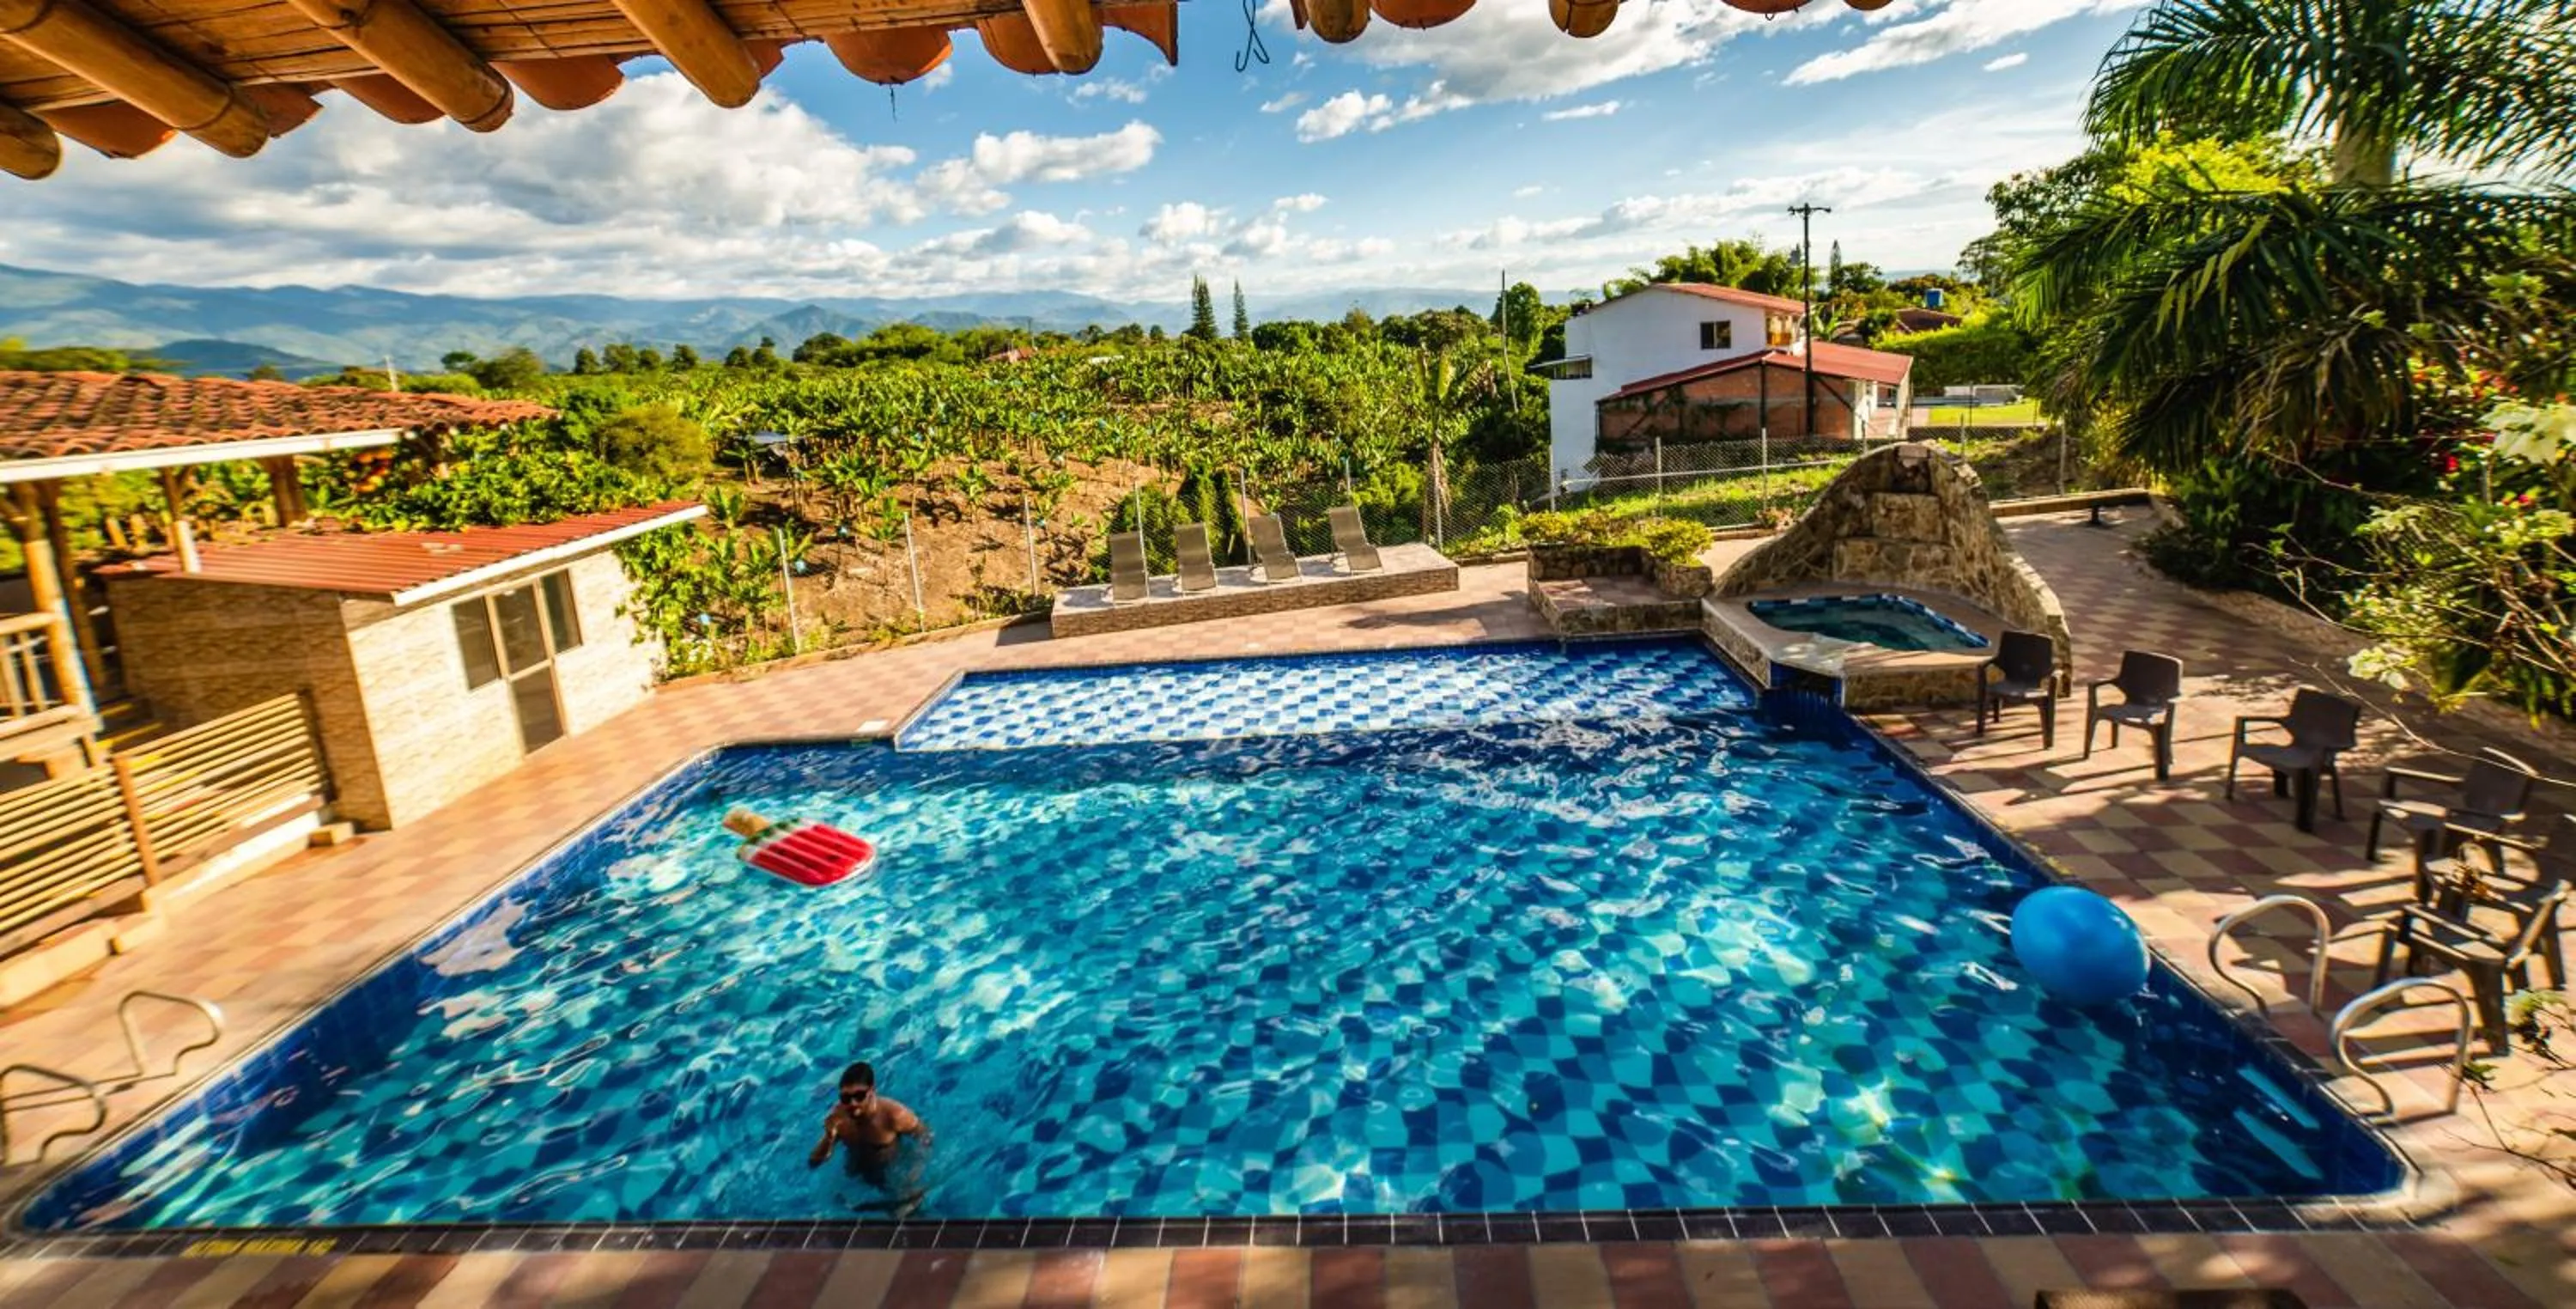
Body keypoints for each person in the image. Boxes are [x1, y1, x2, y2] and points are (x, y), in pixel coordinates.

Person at [808, 1061, 927, 1194]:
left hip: (892, 1172)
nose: (853, 1103)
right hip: (855, 1174)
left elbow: (926, 1138)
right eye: (846, 1098)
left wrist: (915, 1172)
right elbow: (814, 1162)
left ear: (872, 1091)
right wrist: (829, 1137)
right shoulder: (839, 1117)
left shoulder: (895, 1115)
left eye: (859, 1096)